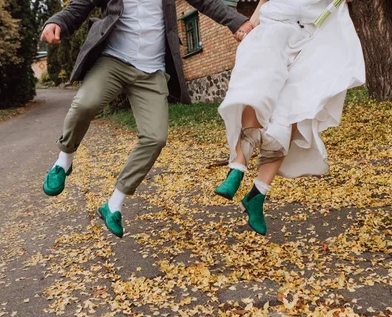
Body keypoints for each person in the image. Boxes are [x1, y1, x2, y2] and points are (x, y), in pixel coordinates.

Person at [41, 0, 254, 238]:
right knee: (85, 104)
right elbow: (79, 7)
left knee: (155, 138)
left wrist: (238, 22)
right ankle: (64, 160)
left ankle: (113, 204)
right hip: (114, 60)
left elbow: (206, 2)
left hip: (151, 70)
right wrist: (56, 21)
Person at [214, 0, 365, 235]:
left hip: (312, 41)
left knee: (294, 112)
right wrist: (250, 23)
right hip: (274, 27)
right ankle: (237, 168)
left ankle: (258, 194)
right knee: (258, 89)